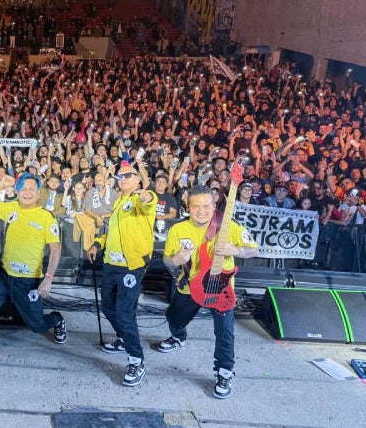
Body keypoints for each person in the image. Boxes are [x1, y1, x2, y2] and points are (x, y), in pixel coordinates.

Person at [160, 186, 258, 399]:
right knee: (173, 318)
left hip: (221, 288)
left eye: (206, 206)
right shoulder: (178, 230)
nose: (201, 210)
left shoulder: (228, 226)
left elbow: (253, 249)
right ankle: (179, 336)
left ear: (214, 207)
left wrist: (235, 250)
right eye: (196, 206)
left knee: (224, 331)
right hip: (190, 286)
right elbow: (167, 259)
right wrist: (176, 260)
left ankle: (224, 371)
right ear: (188, 207)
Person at [0, 173, 65, 357]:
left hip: (29, 281)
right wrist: (1, 183)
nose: (27, 192)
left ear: (39, 193)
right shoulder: (11, 208)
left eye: (32, 188)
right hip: (4, 275)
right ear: (17, 191)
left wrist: (48, 278)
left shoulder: (46, 217)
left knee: (37, 326)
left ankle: (57, 319)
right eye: (23, 188)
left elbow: (56, 250)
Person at [85, 160, 157, 387]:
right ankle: (124, 339)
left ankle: (136, 360)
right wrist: (97, 243)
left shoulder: (139, 199)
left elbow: (149, 201)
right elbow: (112, 232)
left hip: (131, 265)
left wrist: (147, 196)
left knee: (125, 313)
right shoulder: (119, 202)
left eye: (128, 175)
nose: (123, 179)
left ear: (137, 180)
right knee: (108, 306)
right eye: (120, 176)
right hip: (110, 264)